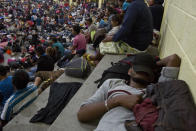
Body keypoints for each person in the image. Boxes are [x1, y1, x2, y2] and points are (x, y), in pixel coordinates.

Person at [77, 53, 181, 131]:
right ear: (129, 71)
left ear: (152, 77)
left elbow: (173, 59)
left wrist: (153, 64)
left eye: (146, 73)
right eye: (139, 70)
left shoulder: (157, 89)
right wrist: (117, 100)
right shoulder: (112, 83)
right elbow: (82, 114)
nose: (142, 74)